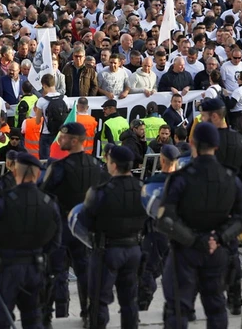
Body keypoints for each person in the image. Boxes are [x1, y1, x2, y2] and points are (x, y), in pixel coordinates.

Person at [157, 122, 242, 328]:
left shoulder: (181, 178)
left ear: (192, 144)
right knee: (216, 306)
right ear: (216, 147)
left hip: (186, 249)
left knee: (178, 308)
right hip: (217, 249)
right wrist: (218, 238)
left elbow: (165, 218)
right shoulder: (230, 178)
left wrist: (194, 240)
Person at [0, 152, 60, 329]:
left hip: (6, 268)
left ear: (16, 173)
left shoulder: (3, 201)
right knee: (33, 318)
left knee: (0, 320)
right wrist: (41, 254)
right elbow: (56, 240)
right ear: (36, 174)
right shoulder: (49, 202)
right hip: (35, 268)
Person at [40, 122, 106, 327]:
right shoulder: (97, 165)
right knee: (85, 271)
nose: (61, 139)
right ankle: (89, 313)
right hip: (85, 227)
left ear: (75, 140)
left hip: (61, 226)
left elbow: (44, 195)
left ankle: (49, 314)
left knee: (53, 271)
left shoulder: (59, 167)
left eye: (65, 137)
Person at [77, 145, 145, 328]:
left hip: (107, 250)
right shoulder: (141, 189)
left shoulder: (102, 191)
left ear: (113, 165)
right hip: (133, 248)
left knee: (99, 300)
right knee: (129, 300)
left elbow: (83, 220)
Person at [137, 144, 178, 310]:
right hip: (179, 234)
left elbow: (145, 206)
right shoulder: (184, 181)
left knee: (147, 269)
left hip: (156, 233)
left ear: (161, 159)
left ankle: (142, 302)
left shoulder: (154, 181)